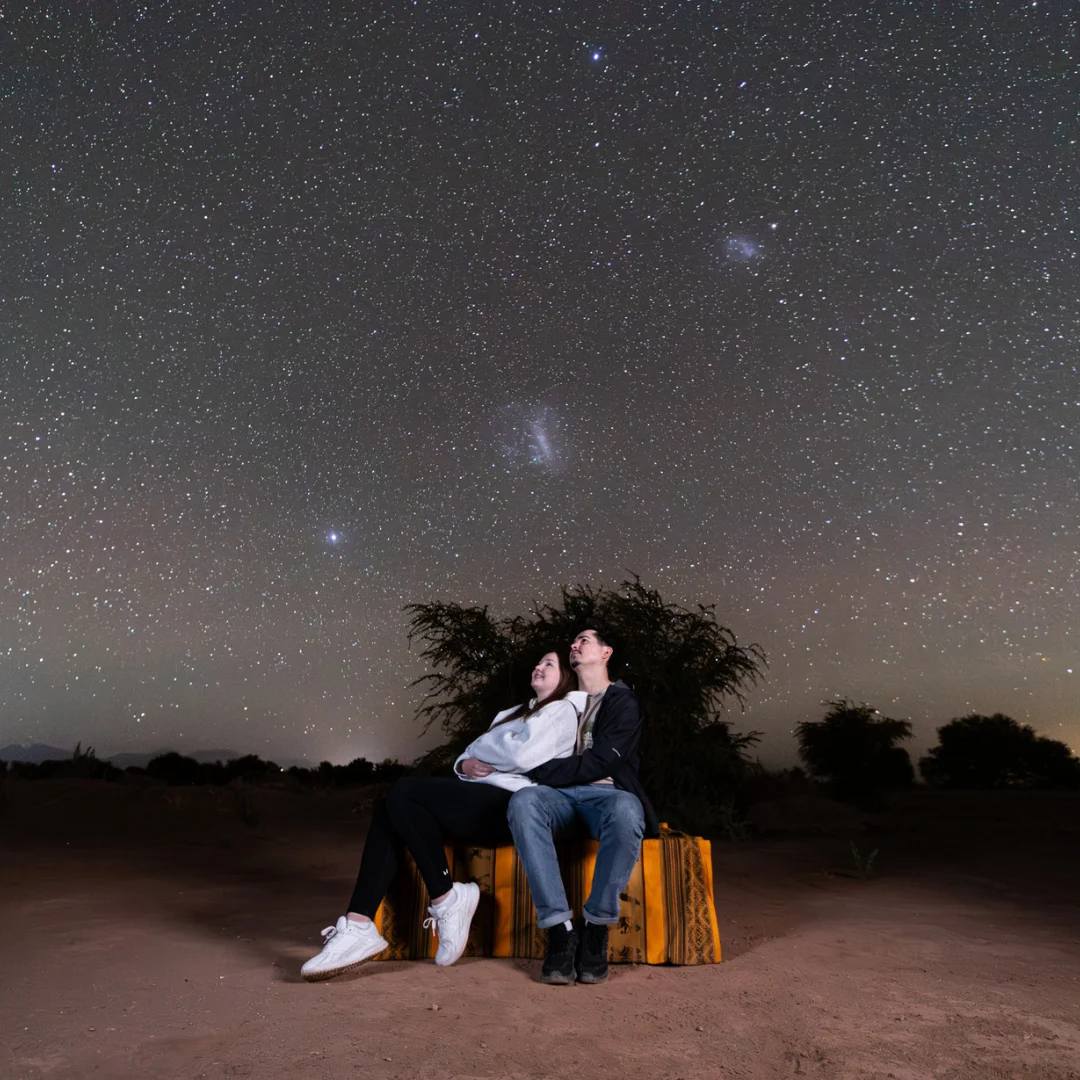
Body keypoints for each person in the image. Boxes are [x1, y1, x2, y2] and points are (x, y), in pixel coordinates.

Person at [301, 650, 584, 981]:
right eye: (539, 661)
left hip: (512, 807)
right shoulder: (512, 713)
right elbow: (471, 752)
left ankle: (446, 899)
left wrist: (487, 754)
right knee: (388, 808)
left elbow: (523, 756)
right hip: (476, 796)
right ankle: (359, 922)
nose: (538, 666)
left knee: (404, 790)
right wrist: (465, 763)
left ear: (565, 677)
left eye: (549, 664)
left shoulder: (563, 710)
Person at [507, 620, 660, 986]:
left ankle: (596, 927)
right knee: (524, 801)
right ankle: (559, 930)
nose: (574, 645)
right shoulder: (560, 702)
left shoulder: (622, 702)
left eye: (584, 640)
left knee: (627, 810)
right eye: (573, 642)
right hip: (556, 798)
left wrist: (540, 770)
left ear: (606, 652)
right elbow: (520, 744)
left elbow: (602, 762)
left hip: (605, 795)